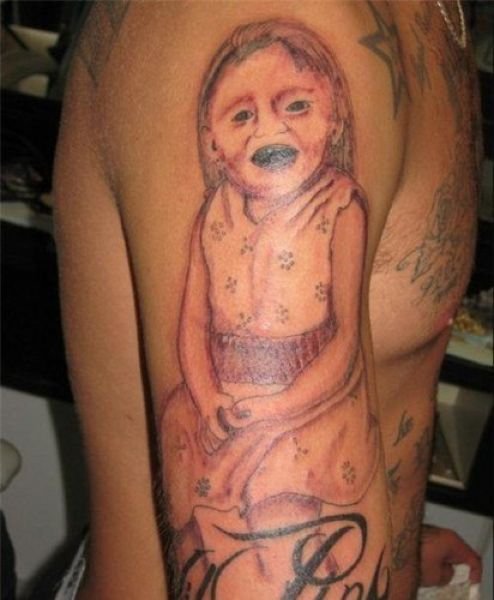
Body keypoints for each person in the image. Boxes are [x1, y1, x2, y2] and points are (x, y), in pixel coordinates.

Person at [53, 1, 482, 598]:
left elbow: (352, 357)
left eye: (296, 107)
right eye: (241, 117)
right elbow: (197, 330)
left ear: (333, 119)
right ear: (213, 141)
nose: (269, 132)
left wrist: (401, 539)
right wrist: (218, 400)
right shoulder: (279, 12)